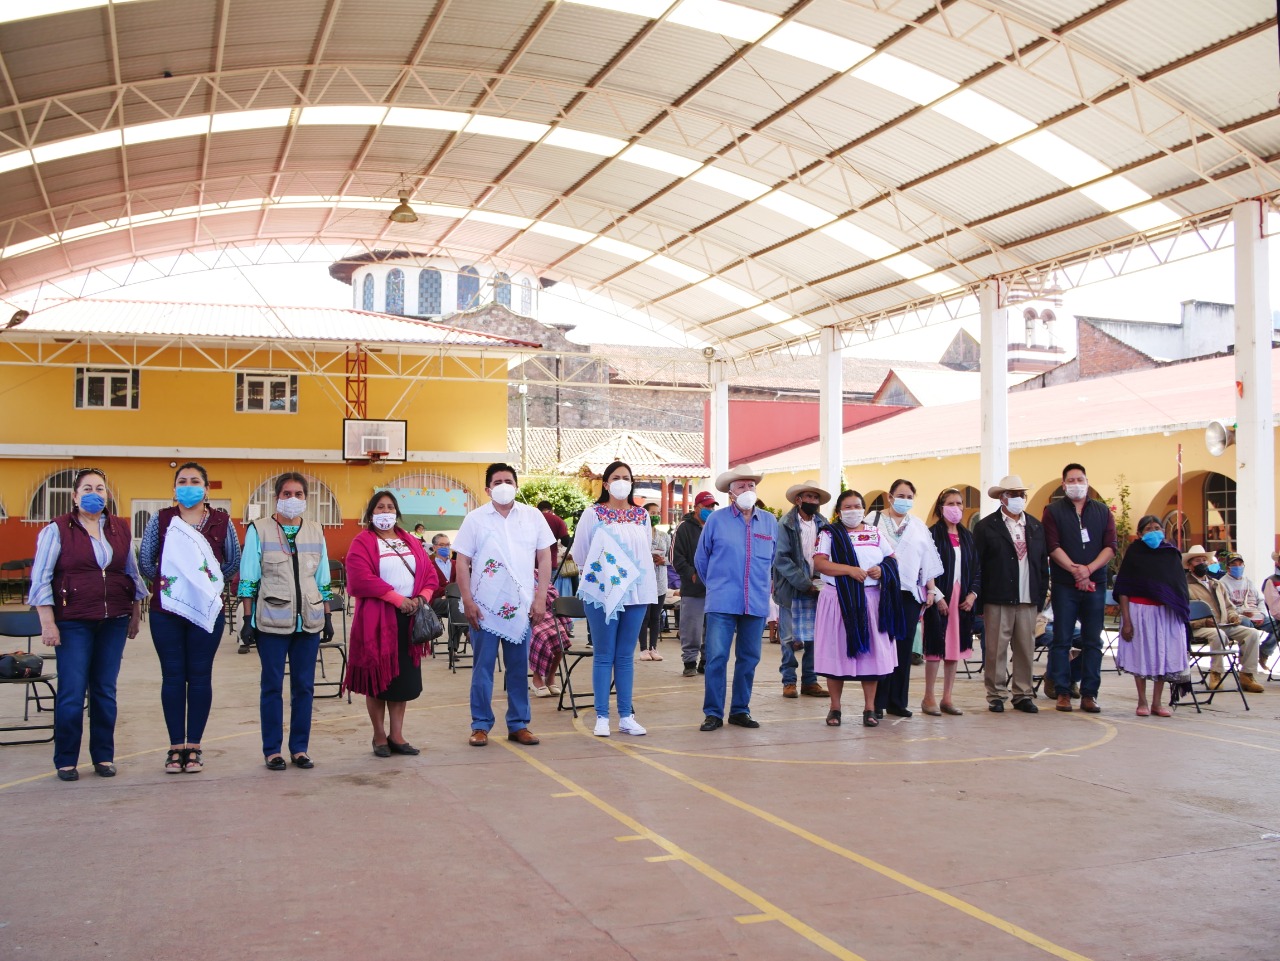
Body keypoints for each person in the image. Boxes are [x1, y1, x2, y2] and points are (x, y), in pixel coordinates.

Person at [29, 468, 145, 780]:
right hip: (73, 622)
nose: (95, 494)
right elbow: (40, 579)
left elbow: (131, 574)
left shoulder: (119, 528)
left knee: (105, 691)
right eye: (88, 488)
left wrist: (135, 612)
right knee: (72, 690)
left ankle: (103, 757)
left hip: (114, 621)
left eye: (100, 488)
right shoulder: (57, 530)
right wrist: (48, 623)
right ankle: (66, 759)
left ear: (107, 495)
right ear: (75, 496)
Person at [138, 462, 241, 774]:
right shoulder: (161, 520)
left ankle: (194, 745)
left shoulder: (223, 521)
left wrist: (203, 587)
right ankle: (174, 746)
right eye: (182, 481)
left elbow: (233, 559)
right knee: (172, 676)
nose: (188, 485)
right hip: (167, 611)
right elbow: (146, 561)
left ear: (206, 489)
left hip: (206, 611)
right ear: (174, 488)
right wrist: (176, 587)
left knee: (199, 676)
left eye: (195, 481)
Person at [238, 472, 334, 770]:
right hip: (271, 621)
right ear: (277, 497)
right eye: (287, 494)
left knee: (304, 686)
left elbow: (323, 578)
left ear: (306, 498)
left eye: (299, 494)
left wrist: (327, 616)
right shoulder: (259, 530)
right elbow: (249, 577)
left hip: (309, 620)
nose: (293, 499)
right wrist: (247, 618)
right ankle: (272, 750)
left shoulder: (316, 531)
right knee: (272, 686)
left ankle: (299, 748)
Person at [453, 463, 553, 747]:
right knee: (482, 668)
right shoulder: (475, 519)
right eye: (497, 482)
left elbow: (544, 557)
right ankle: (480, 725)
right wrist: (468, 601)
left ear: (517, 485)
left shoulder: (533, 517)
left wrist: (540, 596)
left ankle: (519, 724)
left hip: (521, 608)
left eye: (508, 480)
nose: (503, 485)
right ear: (487, 489)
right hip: (483, 608)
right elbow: (462, 561)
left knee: (519, 667)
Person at [343, 490, 440, 757]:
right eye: (379, 507)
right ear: (370, 513)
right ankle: (379, 736)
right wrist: (397, 599)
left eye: (389, 507)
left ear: (397, 513)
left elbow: (430, 575)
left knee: (402, 680)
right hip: (377, 618)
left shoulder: (410, 540)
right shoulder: (362, 542)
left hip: (411, 617)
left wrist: (422, 597)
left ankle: (397, 735)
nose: (385, 512)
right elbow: (361, 578)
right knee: (377, 678)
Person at [569, 461, 657, 736]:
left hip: (637, 592)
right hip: (603, 593)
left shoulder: (642, 516)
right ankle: (602, 716)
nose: (621, 481)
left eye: (626, 478)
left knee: (625, 656)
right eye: (616, 477)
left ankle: (626, 715)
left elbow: (644, 551)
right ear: (606, 484)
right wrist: (607, 576)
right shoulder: (593, 514)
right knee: (604, 655)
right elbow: (581, 553)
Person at [812, 489, 906, 728]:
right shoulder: (829, 534)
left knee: (871, 655)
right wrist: (849, 570)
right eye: (848, 507)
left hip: (871, 599)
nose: (853, 511)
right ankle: (835, 707)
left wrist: (881, 570)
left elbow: (892, 559)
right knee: (837, 652)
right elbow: (820, 563)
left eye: (857, 507)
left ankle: (870, 708)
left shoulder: (874, 532)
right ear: (839, 511)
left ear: (864, 510)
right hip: (839, 600)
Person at [693, 465, 777, 731]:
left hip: (756, 601)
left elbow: (773, 560)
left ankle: (740, 710)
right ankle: (713, 713)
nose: (747, 490)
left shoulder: (769, 522)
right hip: (722, 601)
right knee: (716, 657)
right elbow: (701, 559)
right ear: (730, 492)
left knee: (749, 658)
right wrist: (717, 585)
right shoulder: (716, 521)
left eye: (751, 485)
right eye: (741, 486)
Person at [1041, 463, 1117, 713]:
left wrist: (1089, 570)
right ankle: (1062, 691)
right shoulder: (1052, 511)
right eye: (1071, 480)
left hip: (1096, 582)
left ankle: (1089, 694)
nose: (1076, 484)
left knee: (1093, 640)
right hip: (1065, 585)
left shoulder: (1103, 511)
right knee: (1062, 639)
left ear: (1087, 481)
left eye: (1080, 479)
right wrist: (1075, 570)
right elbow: (1052, 546)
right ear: (1063, 485)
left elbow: (1110, 546)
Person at [973, 475, 1049, 714]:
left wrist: (1040, 596)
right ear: (1003, 498)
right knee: (996, 648)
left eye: (1021, 494)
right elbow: (978, 565)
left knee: (1026, 647)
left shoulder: (1035, 526)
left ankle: (1023, 693)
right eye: (1014, 494)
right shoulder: (986, 527)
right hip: (997, 596)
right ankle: (996, 694)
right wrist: (980, 601)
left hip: (1028, 598)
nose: (1019, 499)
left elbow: (1041, 564)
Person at [868, 478, 943, 718]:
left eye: (910, 497)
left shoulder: (918, 525)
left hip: (909, 593)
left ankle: (897, 701)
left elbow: (927, 560)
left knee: (903, 646)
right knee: (881, 646)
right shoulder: (872, 520)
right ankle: (876, 702)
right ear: (890, 497)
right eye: (901, 496)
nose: (905, 500)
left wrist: (931, 589)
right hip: (879, 591)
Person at [1113, 515, 1191, 717]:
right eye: (1148, 528)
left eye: (1157, 528)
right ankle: (1142, 701)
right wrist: (1127, 622)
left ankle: (1158, 702)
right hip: (1139, 611)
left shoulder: (1171, 554)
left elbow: (1179, 588)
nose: (1154, 531)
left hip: (1165, 614)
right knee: (1140, 654)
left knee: (1162, 656)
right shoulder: (1134, 553)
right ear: (1139, 534)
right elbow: (1123, 589)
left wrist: (1178, 612)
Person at [921, 488, 980, 716]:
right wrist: (937, 595)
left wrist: (972, 594)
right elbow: (926, 566)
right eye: (951, 503)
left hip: (961, 597)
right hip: (939, 596)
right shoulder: (932, 534)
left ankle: (947, 697)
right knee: (936, 646)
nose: (956, 508)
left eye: (959, 503)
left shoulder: (967, 536)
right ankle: (929, 697)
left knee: (954, 647)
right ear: (941, 507)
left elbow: (977, 568)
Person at [773, 480, 831, 700]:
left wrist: (819, 581)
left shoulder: (824, 524)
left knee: (814, 637)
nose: (812, 501)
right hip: (791, 588)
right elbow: (782, 558)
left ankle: (810, 681)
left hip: (818, 587)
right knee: (788, 638)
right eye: (808, 497)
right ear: (798, 500)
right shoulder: (785, 524)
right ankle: (789, 681)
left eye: (815, 498)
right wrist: (804, 583)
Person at [1183, 545, 1265, 694]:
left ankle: (1247, 675)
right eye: (1197, 561)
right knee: (1218, 635)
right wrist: (1202, 622)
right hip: (1200, 628)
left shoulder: (1216, 584)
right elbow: (1182, 614)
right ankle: (1216, 674)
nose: (1202, 563)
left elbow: (1229, 606)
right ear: (1189, 565)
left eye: (1204, 560)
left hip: (1223, 623)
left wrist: (1233, 616)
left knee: (1252, 633)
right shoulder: (1185, 586)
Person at [673, 491, 714, 677]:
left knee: (712, 628)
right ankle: (689, 661)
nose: (710, 509)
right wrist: (692, 574)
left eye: (713, 506)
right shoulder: (683, 527)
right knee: (692, 628)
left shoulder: (715, 526)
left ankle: (706, 661)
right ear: (697, 507)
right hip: (693, 587)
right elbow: (675, 556)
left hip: (715, 588)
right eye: (707, 506)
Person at [1221, 552, 1277, 667]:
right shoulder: (1222, 584)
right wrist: (1243, 613)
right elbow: (1226, 606)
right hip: (1239, 616)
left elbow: (1261, 600)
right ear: (1227, 567)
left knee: (1277, 623)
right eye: (1234, 564)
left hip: (1256, 614)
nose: (1238, 567)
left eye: (1240, 564)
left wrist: (1261, 614)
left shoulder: (1248, 581)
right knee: (1247, 624)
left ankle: (1264, 651)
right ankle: (1248, 657)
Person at [639, 502, 671, 662]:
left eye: (657, 512)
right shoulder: (639, 534)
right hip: (644, 580)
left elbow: (673, 558)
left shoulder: (664, 536)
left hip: (660, 580)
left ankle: (654, 647)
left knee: (656, 616)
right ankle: (643, 648)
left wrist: (662, 560)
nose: (655, 515)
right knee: (644, 616)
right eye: (652, 513)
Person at [529, 581, 573, 697]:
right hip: (525, 614)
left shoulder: (537, 574)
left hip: (545, 612)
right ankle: (536, 679)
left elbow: (553, 592)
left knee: (560, 635)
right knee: (541, 635)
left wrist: (539, 595)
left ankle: (550, 677)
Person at [428, 533, 456, 619]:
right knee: (456, 603)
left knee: (459, 603)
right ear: (434, 548)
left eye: (447, 545)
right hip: (437, 599)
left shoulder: (456, 564)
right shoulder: (429, 566)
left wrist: (450, 595)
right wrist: (448, 593)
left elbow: (461, 583)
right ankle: (466, 631)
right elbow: (431, 586)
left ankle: (464, 630)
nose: (445, 547)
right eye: (441, 545)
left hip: (455, 598)